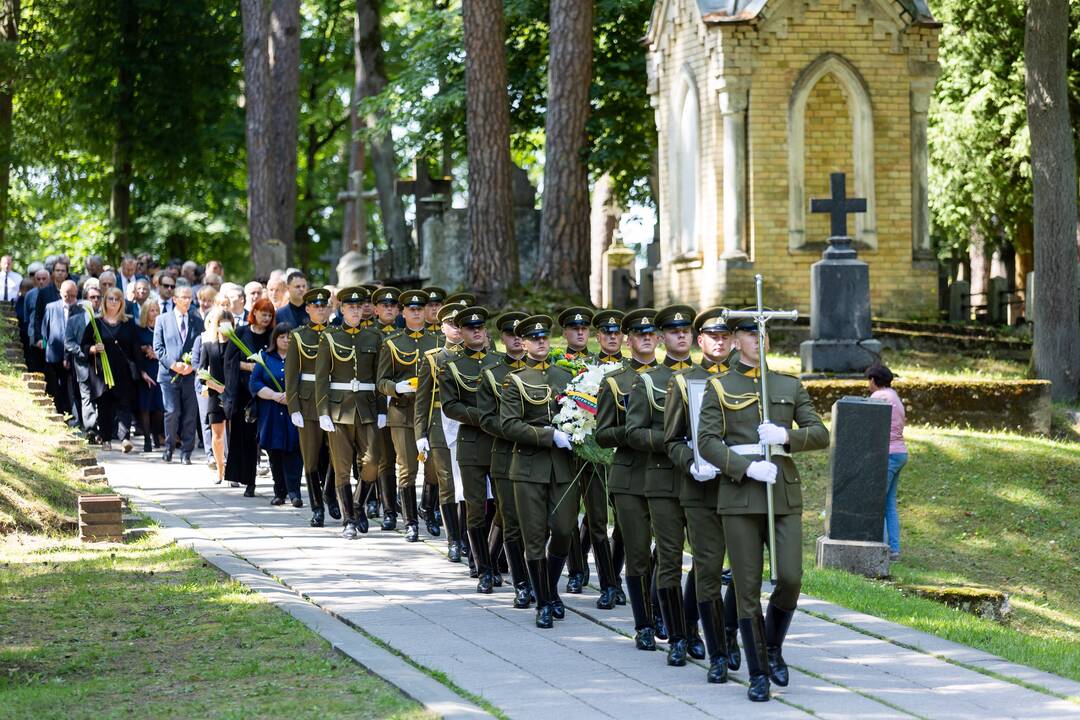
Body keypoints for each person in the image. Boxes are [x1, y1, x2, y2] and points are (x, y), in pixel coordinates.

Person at [698, 317, 829, 702]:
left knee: (790, 577)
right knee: (747, 588)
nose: (758, 340)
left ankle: (772, 646)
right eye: (750, 334)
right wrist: (745, 466)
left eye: (762, 334)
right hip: (740, 496)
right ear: (736, 341)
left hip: (781, 494)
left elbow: (820, 433)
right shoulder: (719, 385)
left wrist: (786, 437)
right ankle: (758, 673)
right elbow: (707, 442)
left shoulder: (788, 385)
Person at [663, 307, 742, 684]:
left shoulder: (746, 381)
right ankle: (713, 648)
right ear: (701, 341)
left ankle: (728, 631)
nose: (721, 342)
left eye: (726, 336)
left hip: (742, 487)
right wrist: (690, 463)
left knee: (742, 571)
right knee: (708, 567)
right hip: (700, 489)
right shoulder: (684, 382)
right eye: (714, 337)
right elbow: (673, 441)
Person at [626, 304, 702, 667]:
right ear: (661, 338)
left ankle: (693, 625)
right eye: (673, 332)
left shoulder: (709, 378)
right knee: (670, 558)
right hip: (663, 478)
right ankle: (675, 635)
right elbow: (634, 432)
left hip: (703, 481)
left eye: (686, 330)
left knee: (705, 560)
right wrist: (673, 441)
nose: (681, 335)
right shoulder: (648, 380)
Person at [499, 314, 578, 629]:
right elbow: (508, 425)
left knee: (563, 530)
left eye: (544, 337)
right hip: (529, 468)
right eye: (534, 339)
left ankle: (549, 588)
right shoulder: (515, 380)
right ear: (524, 343)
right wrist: (549, 435)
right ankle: (544, 602)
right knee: (533, 537)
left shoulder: (567, 377)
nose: (540, 342)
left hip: (562, 468)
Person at [597, 308, 660, 650]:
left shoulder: (672, 379)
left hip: (667, 475)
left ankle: (662, 606)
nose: (646, 338)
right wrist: (635, 433)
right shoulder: (614, 381)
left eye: (651, 333)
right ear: (629, 340)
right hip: (630, 476)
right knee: (637, 553)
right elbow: (603, 434)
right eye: (639, 334)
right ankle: (644, 623)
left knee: (666, 552)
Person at [439, 306, 499, 592]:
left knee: (503, 508)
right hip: (472, 443)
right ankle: (482, 568)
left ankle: (495, 557)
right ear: (461, 333)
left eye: (480, 326)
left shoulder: (500, 363)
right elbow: (450, 406)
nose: (476, 331)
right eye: (470, 327)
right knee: (475, 508)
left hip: (501, 443)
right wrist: (485, 418)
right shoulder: (451, 365)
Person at [315, 287, 382, 538]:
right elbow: (321, 378)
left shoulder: (373, 337)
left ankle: (357, 504)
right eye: (350, 307)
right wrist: (322, 411)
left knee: (372, 462)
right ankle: (348, 520)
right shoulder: (330, 337)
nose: (355, 310)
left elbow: (378, 377)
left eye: (358, 306)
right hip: (338, 409)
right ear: (341, 309)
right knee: (342, 467)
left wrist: (382, 410)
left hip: (367, 408)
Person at [478, 311, 530, 607]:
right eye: (512, 334)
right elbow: (486, 417)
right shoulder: (493, 372)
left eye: (524, 335)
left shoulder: (548, 372)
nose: (518, 339)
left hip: (539, 458)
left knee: (539, 524)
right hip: (505, 454)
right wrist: (518, 430)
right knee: (510, 520)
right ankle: (521, 584)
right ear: (502, 338)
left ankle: (536, 579)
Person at [376, 289, 437, 540]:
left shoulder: (437, 343)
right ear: (403, 313)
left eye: (419, 309)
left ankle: (429, 511)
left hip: (431, 414)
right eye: (411, 309)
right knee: (407, 468)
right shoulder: (392, 343)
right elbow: (381, 381)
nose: (416, 312)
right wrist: (395, 388)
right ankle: (410, 522)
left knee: (434, 469)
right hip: (402, 412)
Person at [415, 302, 466, 559]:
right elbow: (422, 400)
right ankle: (453, 540)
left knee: (467, 485)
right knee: (446, 483)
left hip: (468, 426)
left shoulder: (475, 356)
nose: (456, 330)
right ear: (442, 326)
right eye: (451, 324)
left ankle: (467, 536)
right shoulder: (434, 358)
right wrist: (420, 434)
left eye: (461, 325)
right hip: (440, 425)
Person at [284, 289, 338, 524]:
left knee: (338, 456)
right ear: (307, 309)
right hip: (308, 403)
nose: (320, 309)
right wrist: (293, 406)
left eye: (324, 306)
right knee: (311, 457)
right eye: (315, 306)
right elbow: (291, 373)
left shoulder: (337, 333)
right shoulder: (298, 336)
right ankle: (317, 507)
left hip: (336, 402)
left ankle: (330, 493)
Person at [556, 306, 594, 595]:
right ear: (565, 332)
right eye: (574, 329)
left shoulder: (599, 365)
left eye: (584, 329)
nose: (580, 332)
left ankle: (602, 574)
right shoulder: (557, 365)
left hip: (595, 448)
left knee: (595, 515)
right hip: (566, 448)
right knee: (569, 514)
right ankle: (576, 570)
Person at [223, 298, 274, 496]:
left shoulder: (271, 336)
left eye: (269, 315)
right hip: (243, 393)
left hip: (264, 392)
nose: (266, 318)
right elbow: (229, 361)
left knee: (261, 437)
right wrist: (249, 366)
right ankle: (247, 479)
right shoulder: (241, 333)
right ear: (255, 312)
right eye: (263, 313)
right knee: (243, 437)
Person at [81, 287, 142, 453]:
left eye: (117, 299)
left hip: (123, 372)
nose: (113, 302)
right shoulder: (97, 322)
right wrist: (93, 349)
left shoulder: (128, 323)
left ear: (122, 302)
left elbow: (135, 348)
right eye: (110, 299)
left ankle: (125, 439)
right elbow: (83, 344)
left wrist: (140, 370)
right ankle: (106, 439)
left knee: (124, 405)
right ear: (104, 301)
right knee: (105, 406)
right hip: (102, 373)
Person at [250, 323, 303, 506]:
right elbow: (254, 383)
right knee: (275, 454)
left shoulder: (300, 358)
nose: (286, 340)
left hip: (293, 412)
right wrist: (273, 395)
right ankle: (279, 492)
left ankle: (295, 493)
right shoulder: (265, 357)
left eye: (289, 336)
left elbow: (307, 381)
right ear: (275, 338)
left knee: (294, 452)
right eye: (282, 336)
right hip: (271, 413)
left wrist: (292, 395)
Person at [154, 284, 203, 464]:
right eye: (184, 297)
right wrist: (173, 364)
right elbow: (158, 348)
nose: (187, 300)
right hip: (169, 375)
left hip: (190, 375)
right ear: (175, 299)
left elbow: (201, 346)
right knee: (172, 412)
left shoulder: (197, 321)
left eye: (190, 297)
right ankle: (169, 447)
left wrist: (192, 366)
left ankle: (186, 452)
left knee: (190, 414)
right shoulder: (162, 319)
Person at [868, 364, 907, 562]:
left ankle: (881, 549)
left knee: (876, 502)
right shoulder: (895, 396)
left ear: (874, 380)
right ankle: (894, 549)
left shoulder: (879, 397)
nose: (868, 385)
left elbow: (864, 422)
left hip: (888, 454)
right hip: (900, 453)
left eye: (869, 380)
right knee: (889, 503)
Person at [194, 309, 231, 485]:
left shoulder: (236, 346)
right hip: (216, 395)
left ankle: (233, 471)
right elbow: (201, 373)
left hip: (233, 395)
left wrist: (228, 389)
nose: (225, 326)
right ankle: (220, 470)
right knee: (217, 435)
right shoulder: (208, 346)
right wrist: (217, 387)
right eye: (221, 322)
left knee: (233, 435)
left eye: (228, 322)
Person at [41, 279, 81, 420]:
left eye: (73, 296)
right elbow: (45, 331)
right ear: (60, 294)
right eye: (66, 296)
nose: (70, 299)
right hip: (55, 354)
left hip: (74, 354)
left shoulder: (80, 308)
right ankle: (61, 412)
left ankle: (74, 415)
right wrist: (46, 349)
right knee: (57, 386)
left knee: (73, 387)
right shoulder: (51, 307)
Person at [66, 280, 101, 439]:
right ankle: (90, 429)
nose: (95, 300)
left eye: (98, 297)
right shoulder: (75, 320)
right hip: (83, 365)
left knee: (101, 397)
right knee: (86, 397)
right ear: (85, 299)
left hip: (101, 366)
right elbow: (69, 343)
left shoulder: (104, 318)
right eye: (92, 297)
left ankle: (104, 429)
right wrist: (85, 352)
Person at [135, 298, 165, 453]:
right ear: (146, 313)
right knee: (145, 406)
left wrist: (156, 354)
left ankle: (156, 434)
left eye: (156, 310)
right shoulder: (139, 330)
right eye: (151, 310)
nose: (154, 313)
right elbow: (135, 351)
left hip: (159, 370)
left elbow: (168, 350)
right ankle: (147, 439)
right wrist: (143, 350)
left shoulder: (163, 329)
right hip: (145, 371)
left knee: (159, 407)